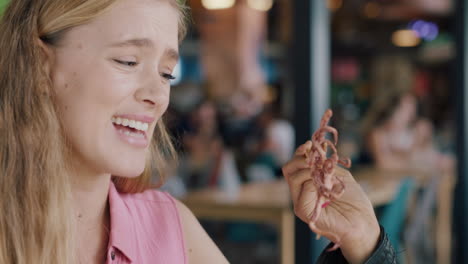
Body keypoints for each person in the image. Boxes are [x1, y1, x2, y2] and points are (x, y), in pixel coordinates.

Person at [0, 0, 395, 263]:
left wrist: (363, 243)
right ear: (39, 67)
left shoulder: (170, 228)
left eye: (166, 73)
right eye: (127, 60)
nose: (158, 95)